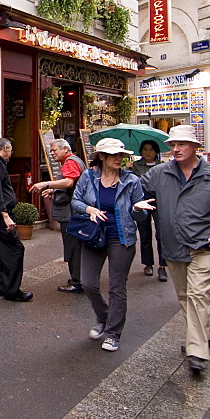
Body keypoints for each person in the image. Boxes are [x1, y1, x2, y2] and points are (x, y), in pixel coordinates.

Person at [135, 125, 210, 375]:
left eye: (181, 144)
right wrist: (134, 202)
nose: (175, 149)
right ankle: (200, 336)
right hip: (173, 247)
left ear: (196, 146)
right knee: (185, 297)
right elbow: (136, 191)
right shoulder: (159, 173)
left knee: (198, 295)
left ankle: (197, 352)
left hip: (204, 246)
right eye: (172, 144)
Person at [70, 138, 143, 353]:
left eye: (121, 155)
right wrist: (88, 210)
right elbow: (75, 201)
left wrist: (139, 209)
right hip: (93, 235)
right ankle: (103, 317)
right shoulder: (88, 176)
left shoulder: (132, 181)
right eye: (113, 155)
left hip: (121, 237)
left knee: (116, 287)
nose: (119, 158)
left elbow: (140, 212)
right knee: (88, 283)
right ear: (101, 157)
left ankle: (113, 333)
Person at [29, 138, 86, 294]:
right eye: (51, 150)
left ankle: (77, 281)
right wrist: (54, 190)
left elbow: (69, 182)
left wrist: (46, 184)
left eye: (54, 150)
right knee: (75, 246)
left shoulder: (70, 162)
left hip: (71, 212)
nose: (51, 153)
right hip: (75, 211)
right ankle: (79, 277)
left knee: (73, 246)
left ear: (65, 150)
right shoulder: (74, 160)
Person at [0, 137, 32, 302]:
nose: (11, 153)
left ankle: (1, 286)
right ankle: (12, 290)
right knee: (16, 249)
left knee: (1, 250)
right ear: (6, 149)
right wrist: (5, 215)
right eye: (11, 150)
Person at [130, 140, 167, 281]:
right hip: (142, 201)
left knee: (161, 235)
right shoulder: (136, 165)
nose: (148, 152)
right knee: (145, 235)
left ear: (156, 152)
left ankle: (162, 266)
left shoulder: (163, 165)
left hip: (160, 201)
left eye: (151, 150)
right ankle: (148, 264)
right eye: (145, 149)